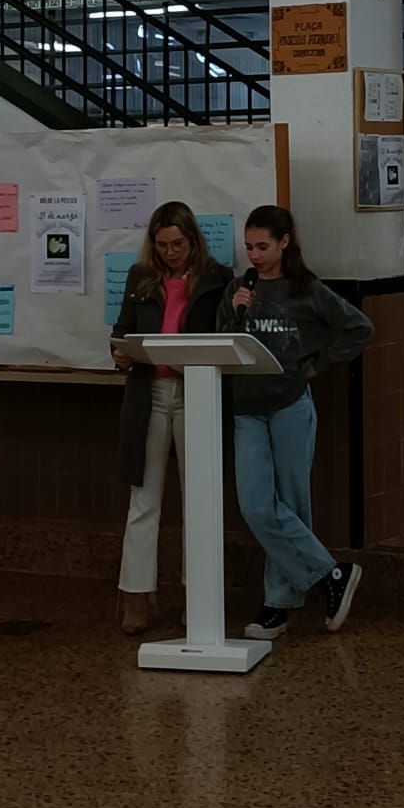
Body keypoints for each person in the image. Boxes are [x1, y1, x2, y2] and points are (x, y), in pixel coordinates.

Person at [217, 204, 373, 640]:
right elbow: (221, 343)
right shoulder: (237, 289)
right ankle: (332, 575)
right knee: (256, 504)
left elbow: (359, 328)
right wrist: (235, 312)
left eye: (262, 247)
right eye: (249, 247)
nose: (254, 255)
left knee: (290, 501)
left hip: (289, 404)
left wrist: (317, 365)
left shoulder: (306, 289)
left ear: (284, 243)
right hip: (246, 408)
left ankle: (277, 606)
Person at [110, 202, 233, 635]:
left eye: (177, 244)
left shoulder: (217, 277)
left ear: (193, 240)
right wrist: (120, 354)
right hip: (149, 393)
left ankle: (195, 595)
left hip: (195, 392)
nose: (170, 253)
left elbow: (225, 335)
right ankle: (136, 596)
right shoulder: (141, 277)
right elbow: (122, 331)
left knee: (196, 500)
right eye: (162, 245)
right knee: (143, 499)